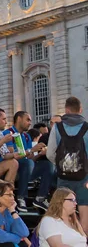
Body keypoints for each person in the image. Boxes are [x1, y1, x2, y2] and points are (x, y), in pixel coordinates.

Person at [46, 96, 88, 233]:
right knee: (84, 207)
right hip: (84, 176)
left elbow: (50, 153)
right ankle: (83, 240)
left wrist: (61, 165)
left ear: (66, 110)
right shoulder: (87, 127)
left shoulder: (57, 127)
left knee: (63, 210)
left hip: (63, 176)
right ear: (80, 109)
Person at [2, 110, 53, 212]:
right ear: (19, 119)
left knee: (48, 165)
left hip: (25, 168)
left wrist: (39, 153)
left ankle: (40, 198)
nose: (30, 123)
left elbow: (29, 159)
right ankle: (21, 197)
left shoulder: (26, 136)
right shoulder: (8, 133)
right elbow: (11, 156)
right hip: (12, 168)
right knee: (27, 163)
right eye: (28, 120)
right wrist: (31, 150)